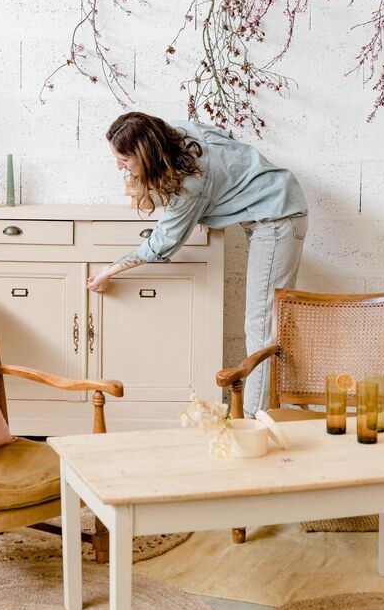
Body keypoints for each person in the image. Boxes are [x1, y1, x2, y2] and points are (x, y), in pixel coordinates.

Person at [86, 112, 308, 415]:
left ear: (145, 154)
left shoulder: (192, 181)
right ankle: (270, 411)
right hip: (275, 207)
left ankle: (254, 420)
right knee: (268, 322)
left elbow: (163, 243)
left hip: (277, 219)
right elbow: (222, 138)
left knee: (261, 325)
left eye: (124, 159)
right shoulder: (180, 133)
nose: (119, 166)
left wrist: (109, 270)